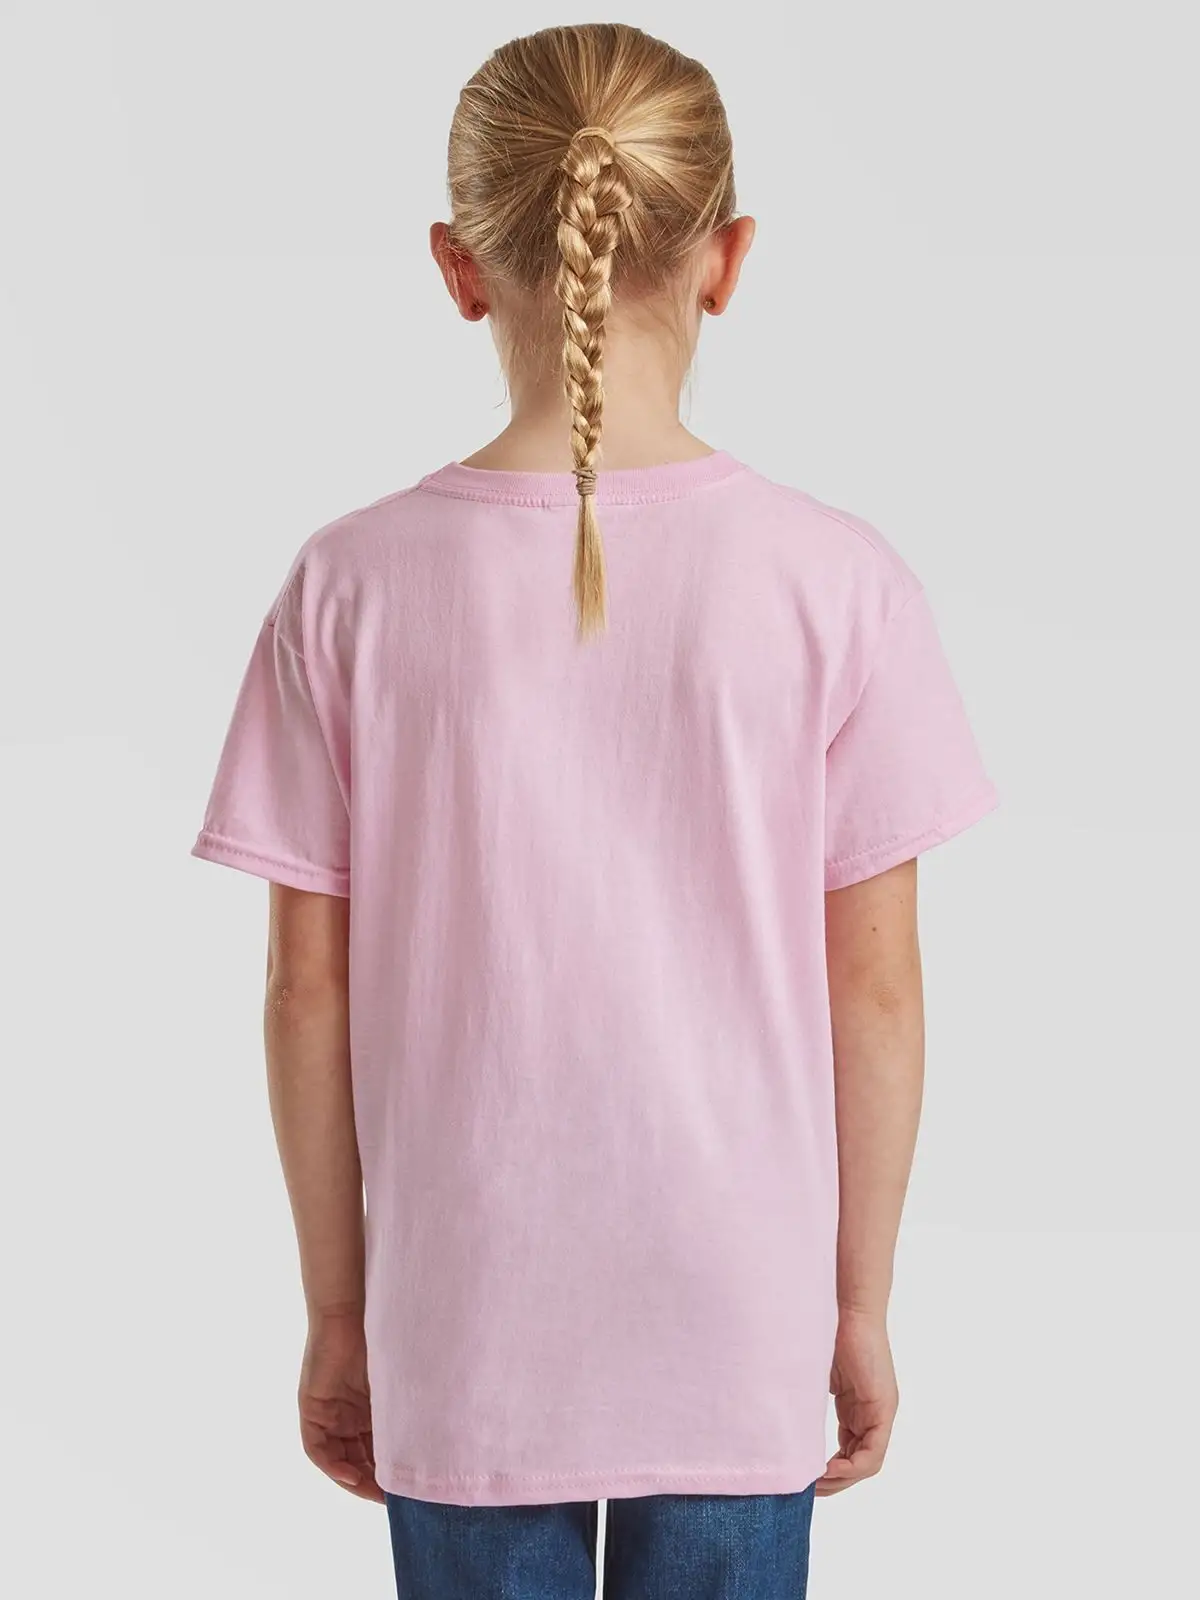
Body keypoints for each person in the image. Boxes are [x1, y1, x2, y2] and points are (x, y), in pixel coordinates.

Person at [190, 21, 997, 1599]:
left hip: (465, 1310)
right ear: (728, 259)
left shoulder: (347, 586)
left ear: (458, 265)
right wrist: (858, 1305)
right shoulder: (838, 582)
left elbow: (305, 992)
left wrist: (342, 1317)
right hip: (738, 1307)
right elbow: (879, 988)